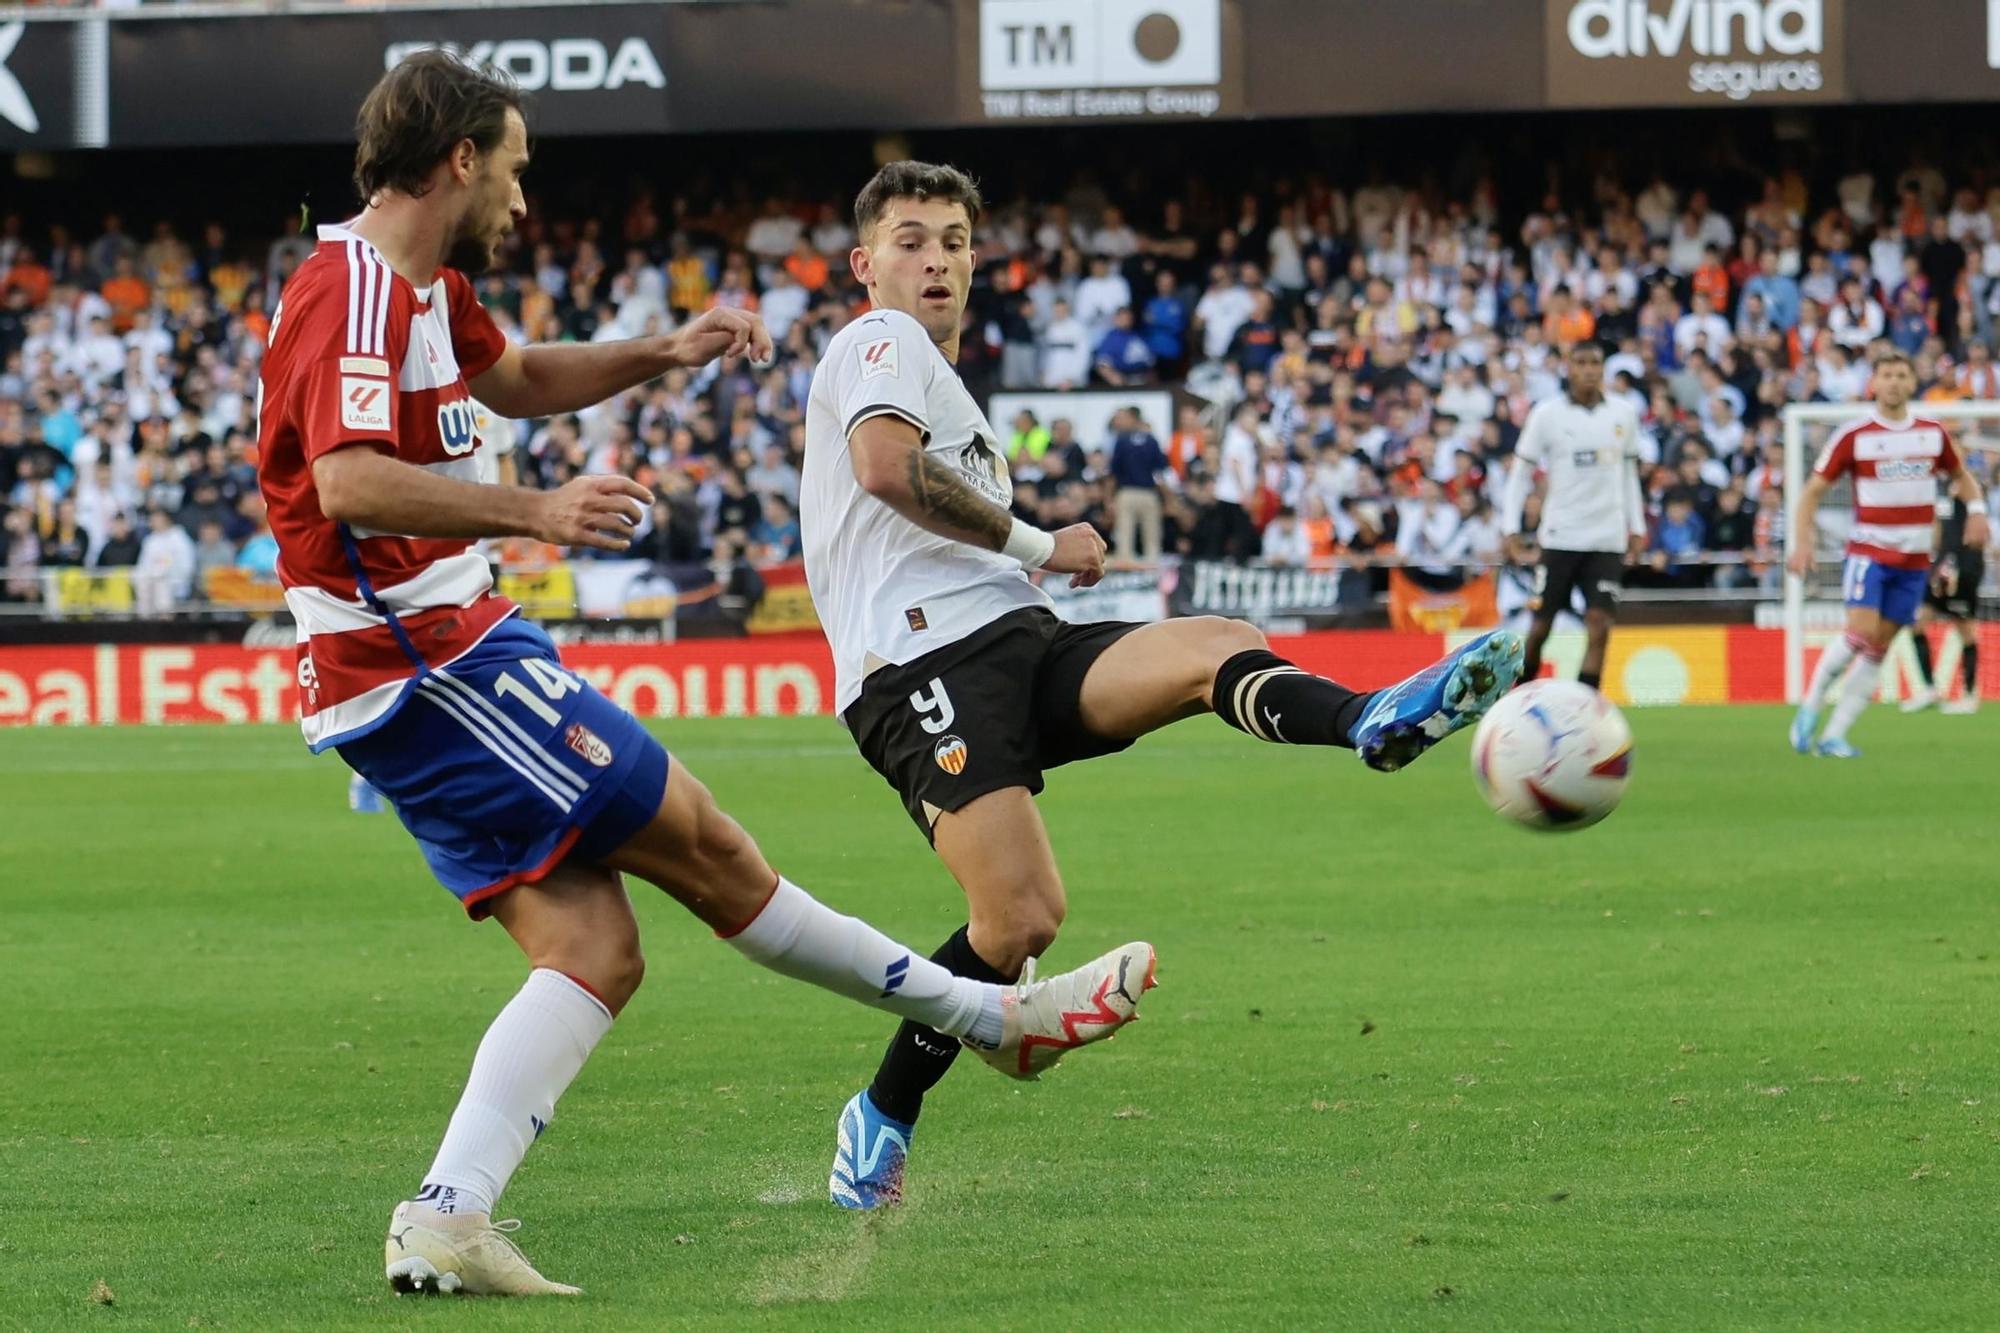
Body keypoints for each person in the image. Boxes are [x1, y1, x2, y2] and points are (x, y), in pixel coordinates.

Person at [263, 57, 1152, 1299]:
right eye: (513, 166)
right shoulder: (351, 287)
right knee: (708, 848)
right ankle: (992, 1021)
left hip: (436, 653)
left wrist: (663, 351)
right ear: (458, 159)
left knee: (591, 947)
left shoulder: (425, 290)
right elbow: (345, 480)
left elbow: (513, 378)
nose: (523, 196)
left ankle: (448, 1214)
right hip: (425, 657)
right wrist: (538, 508)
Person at [798, 160, 1523, 1211]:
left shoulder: (940, 377)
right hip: (917, 664)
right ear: (866, 265)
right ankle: (881, 1110)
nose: (937, 259)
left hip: (1017, 636)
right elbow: (881, 469)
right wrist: (1040, 536)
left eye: (954, 240)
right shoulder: (878, 341)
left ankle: (1370, 719)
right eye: (911, 240)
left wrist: (1028, 556)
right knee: (1018, 919)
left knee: (1210, 644)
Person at [1787, 349, 1989, 756]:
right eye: (1887, 375)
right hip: (1871, 552)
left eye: (1901, 374)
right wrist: (1803, 541)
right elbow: (1811, 492)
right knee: (1859, 632)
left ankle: (1835, 734)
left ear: (1913, 383)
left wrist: (1979, 512)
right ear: (1873, 383)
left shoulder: (1932, 433)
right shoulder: (1854, 435)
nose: (1894, 382)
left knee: (1880, 644)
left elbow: (1962, 477)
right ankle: (1809, 708)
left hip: (1915, 561)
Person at [1500, 341, 1647, 692]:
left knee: (1600, 625)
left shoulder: (1623, 414)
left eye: (1595, 362)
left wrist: (1637, 527)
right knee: (1540, 627)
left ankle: (1585, 706)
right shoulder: (1548, 415)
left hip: (1607, 538)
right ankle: (1520, 694)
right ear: (1568, 367)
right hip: (1561, 535)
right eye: (1581, 362)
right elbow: (1521, 473)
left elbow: (1629, 475)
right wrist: (1510, 527)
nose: (1589, 370)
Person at [1900, 491, 1986, 715]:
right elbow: (1939, 530)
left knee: (1966, 632)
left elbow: (1977, 536)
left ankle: (1969, 695)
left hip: (1963, 570)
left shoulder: (1971, 494)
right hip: (1940, 568)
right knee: (1917, 623)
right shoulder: (1940, 490)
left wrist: (1959, 566)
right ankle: (1929, 689)